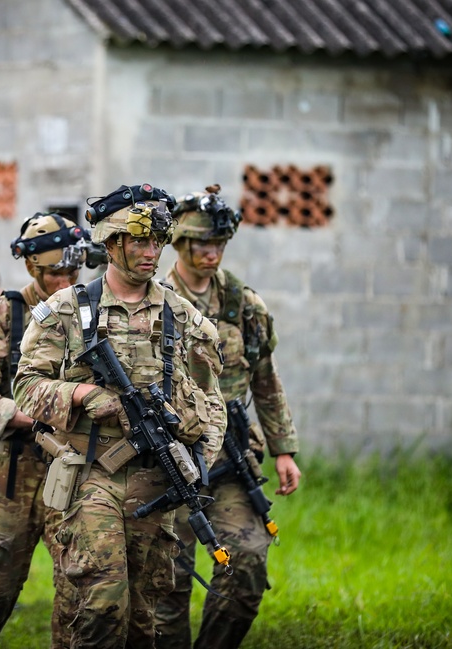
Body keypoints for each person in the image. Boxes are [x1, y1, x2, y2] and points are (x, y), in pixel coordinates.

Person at [12, 184, 227, 649]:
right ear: (112, 244)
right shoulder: (66, 311)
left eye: (157, 242)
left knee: (142, 619)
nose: (152, 252)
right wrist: (85, 395)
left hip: (156, 482)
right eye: (139, 241)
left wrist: (196, 461)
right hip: (91, 474)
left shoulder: (182, 316)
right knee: (102, 604)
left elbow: (213, 400)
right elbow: (25, 390)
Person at [155, 185, 301, 649]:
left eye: (218, 244)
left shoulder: (243, 305)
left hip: (229, 461)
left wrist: (283, 450)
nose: (211, 252)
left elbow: (266, 379)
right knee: (166, 583)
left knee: (247, 562)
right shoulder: (149, 301)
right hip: (165, 464)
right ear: (179, 243)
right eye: (201, 244)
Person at [0, 213, 92, 649]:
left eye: (73, 271)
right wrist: (34, 416)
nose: (66, 281)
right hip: (12, 474)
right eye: (55, 273)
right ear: (32, 268)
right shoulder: (3, 316)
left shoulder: (93, 313)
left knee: (79, 594)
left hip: (78, 473)